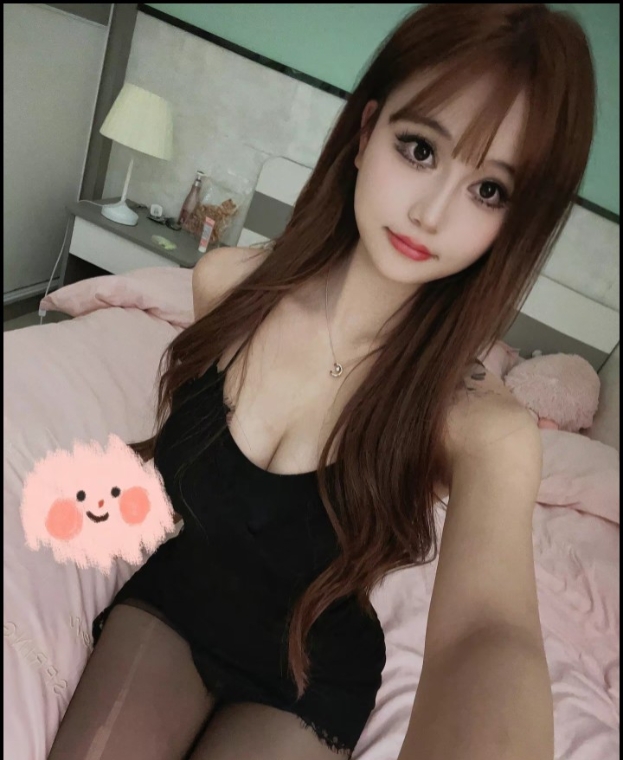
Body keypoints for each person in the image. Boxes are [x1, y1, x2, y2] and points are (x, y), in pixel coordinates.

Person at [47, 4, 595, 759]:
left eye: (489, 191)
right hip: (178, 601)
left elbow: (487, 633)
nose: (430, 213)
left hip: (312, 672)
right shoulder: (226, 286)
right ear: (366, 132)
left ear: (516, 223)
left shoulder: (481, 428)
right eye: (420, 149)